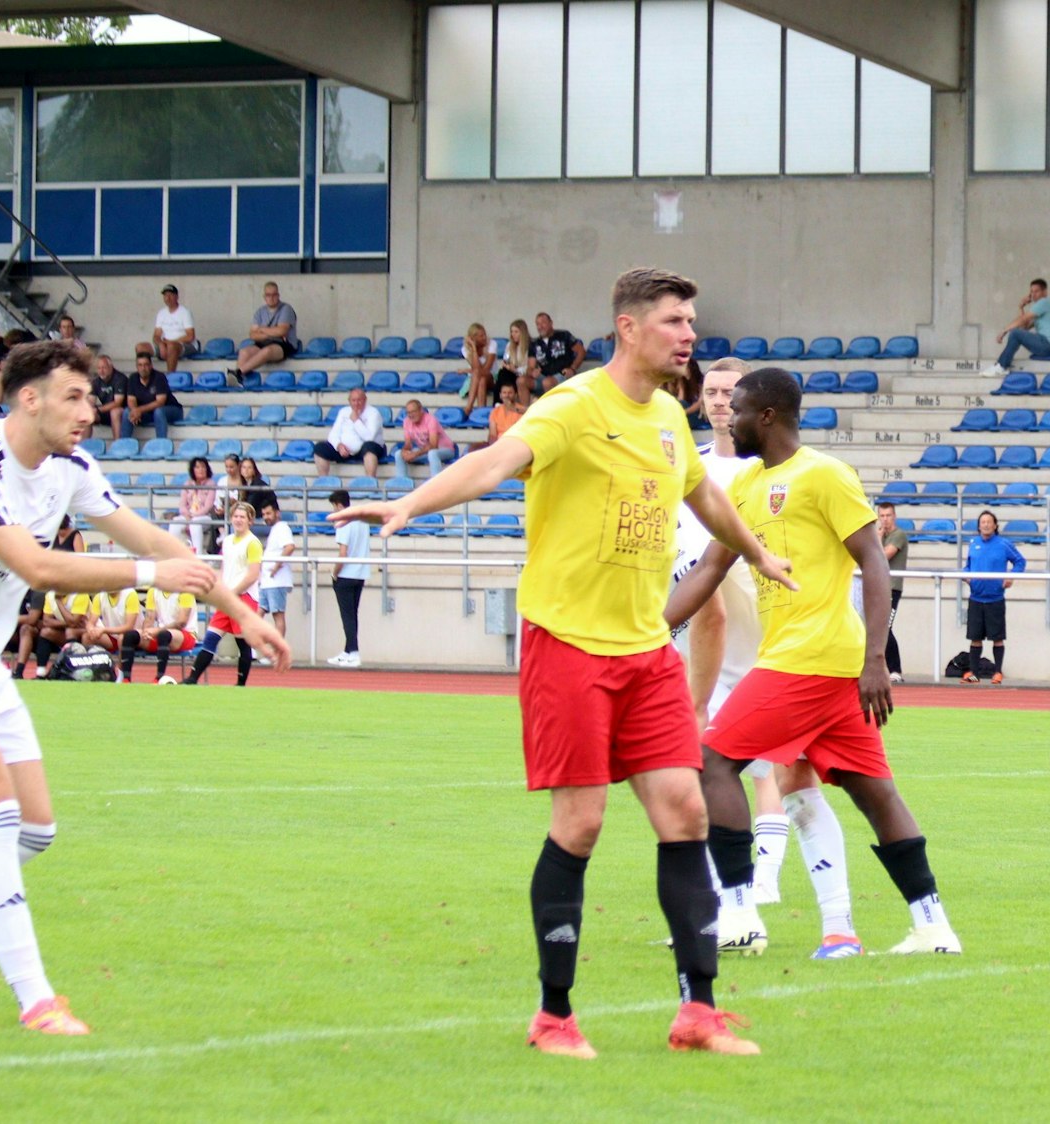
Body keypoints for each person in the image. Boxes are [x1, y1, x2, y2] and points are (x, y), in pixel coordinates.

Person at [335, 266, 790, 1059]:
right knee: (580, 824)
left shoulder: (669, 422)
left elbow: (702, 498)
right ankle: (553, 1016)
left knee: (684, 812)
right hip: (569, 644)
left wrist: (755, 551)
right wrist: (410, 502)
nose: (690, 334)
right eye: (677, 321)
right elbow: (493, 462)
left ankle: (699, 1013)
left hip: (645, 646)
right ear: (630, 328)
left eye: (691, 321)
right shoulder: (574, 406)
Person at [0, 338, 283, 1034]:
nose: (90, 410)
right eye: (74, 396)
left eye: (91, 397)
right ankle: (36, 998)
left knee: (34, 831)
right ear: (28, 397)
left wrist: (244, 614)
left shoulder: (71, 468)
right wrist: (145, 579)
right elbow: (37, 567)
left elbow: (161, 545)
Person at [667, 367, 964, 961]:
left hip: (813, 656)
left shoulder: (825, 474)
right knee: (873, 792)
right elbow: (708, 570)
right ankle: (932, 927)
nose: (729, 417)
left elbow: (874, 563)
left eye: (741, 407)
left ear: (769, 415)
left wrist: (877, 657)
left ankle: (739, 911)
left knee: (712, 760)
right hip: (820, 665)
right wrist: (647, 632)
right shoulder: (749, 483)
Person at [670, 358, 860, 957]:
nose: (723, 401)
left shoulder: (801, 472)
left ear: (758, 405)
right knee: (817, 781)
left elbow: (862, 559)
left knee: (733, 766)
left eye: (733, 392)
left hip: (789, 649)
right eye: (714, 392)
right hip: (748, 645)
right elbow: (706, 570)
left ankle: (745, 901)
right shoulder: (703, 469)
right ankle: (860, 925)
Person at [186, 503, 265, 687]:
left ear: (250, 521)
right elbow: (225, 568)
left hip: (243, 598)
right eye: (236, 516)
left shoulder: (253, 543)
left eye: (242, 517)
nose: (238, 520)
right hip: (227, 598)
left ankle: (240, 685)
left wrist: (233, 592)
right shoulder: (228, 541)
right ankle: (191, 679)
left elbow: (253, 575)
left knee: (243, 644)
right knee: (211, 637)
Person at [962, 511, 1025, 684]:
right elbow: (967, 566)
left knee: (997, 637)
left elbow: (1020, 561)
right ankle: (974, 673)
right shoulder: (973, 543)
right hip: (976, 597)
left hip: (995, 598)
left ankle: (997, 672)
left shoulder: (1004, 544)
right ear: (979, 525)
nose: (986, 525)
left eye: (989, 522)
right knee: (975, 637)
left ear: (995, 525)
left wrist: (1011, 576)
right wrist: (966, 575)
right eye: (983, 522)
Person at [983, 279, 1050, 374]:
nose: (1033, 294)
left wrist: (1004, 331)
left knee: (1015, 333)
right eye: (1031, 291)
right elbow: (1024, 328)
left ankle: (1001, 366)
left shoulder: (1044, 303)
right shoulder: (1040, 311)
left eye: (1037, 291)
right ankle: (1001, 365)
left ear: (1045, 292)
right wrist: (1021, 307)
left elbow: (1022, 321)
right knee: (1016, 333)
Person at [328, 490, 370, 667]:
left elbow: (343, 554)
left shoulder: (343, 523)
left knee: (347, 615)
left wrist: (334, 572)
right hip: (360, 574)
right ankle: (348, 650)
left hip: (346, 575)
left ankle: (353, 651)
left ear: (339, 505)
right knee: (353, 614)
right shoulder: (362, 522)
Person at [314, 388, 388, 480]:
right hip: (344, 451)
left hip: (367, 450)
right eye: (353, 400)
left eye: (359, 400)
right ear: (349, 401)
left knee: (369, 447)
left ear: (365, 400)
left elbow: (369, 438)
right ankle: (323, 481)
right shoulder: (343, 411)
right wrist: (339, 446)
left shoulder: (373, 413)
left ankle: (370, 481)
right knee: (320, 447)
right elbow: (333, 434)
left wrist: (356, 420)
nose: (356, 403)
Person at [129, 587, 199, 684]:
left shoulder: (185, 590)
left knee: (164, 635)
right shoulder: (153, 591)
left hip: (186, 634)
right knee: (131, 635)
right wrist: (146, 632)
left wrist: (156, 631)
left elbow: (181, 622)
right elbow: (149, 618)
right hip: (163, 633)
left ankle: (159, 678)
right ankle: (125, 679)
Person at [233, 282, 299, 383]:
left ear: (278, 295)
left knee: (267, 351)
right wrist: (272, 332)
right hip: (263, 343)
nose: (271, 298)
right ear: (264, 297)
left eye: (274, 295)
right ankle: (238, 382)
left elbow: (282, 330)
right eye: (268, 295)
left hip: (284, 345)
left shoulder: (286, 309)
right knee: (244, 351)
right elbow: (253, 335)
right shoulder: (260, 311)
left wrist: (261, 329)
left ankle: (238, 373)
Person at [876, 502, 908, 684]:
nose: (885, 519)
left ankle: (896, 669)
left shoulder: (899, 535)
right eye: (882, 516)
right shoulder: (879, 536)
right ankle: (884, 668)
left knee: (886, 627)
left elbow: (882, 555)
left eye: (888, 515)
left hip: (892, 588)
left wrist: (878, 538)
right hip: (878, 587)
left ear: (894, 516)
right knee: (876, 628)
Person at [257, 498, 296, 642]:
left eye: (268, 513)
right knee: (257, 614)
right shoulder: (275, 529)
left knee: (278, 616)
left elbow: (290, 547)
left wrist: (276, 566)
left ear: (277, 513)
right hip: (267, 581)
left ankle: (277, 652)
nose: (266, 517)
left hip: (276, 581)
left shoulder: (282, 527)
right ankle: (252, 649)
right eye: (264, 514)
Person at [124, 352, 184, 441]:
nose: (143, 368)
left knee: (159, 411)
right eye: (140, 365)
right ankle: (122, 446)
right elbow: (131, 400)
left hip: (172, 410)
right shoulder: (133, 378)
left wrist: (139, 410)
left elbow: (160, 402)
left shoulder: (159, 377)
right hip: (149, 413)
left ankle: (161, 445)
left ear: (151, 366)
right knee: (127, 411)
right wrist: (134, 410)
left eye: (146, 365)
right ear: (137, 367)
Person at [530, 311, 584, 397]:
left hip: (562, 373)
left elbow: (581, 351)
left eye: (543, 323)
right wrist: (533, 371)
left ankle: (550, 409)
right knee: (521, 381)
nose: (540, 327)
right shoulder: (535, 343)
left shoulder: (564, 335)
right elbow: (531, 365)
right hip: (543, 375)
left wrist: (573, 369)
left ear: (551, 323)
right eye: (538, 324)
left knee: (547, 382)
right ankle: (525, 409)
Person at [169, 456, 217, 553]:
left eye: (203, 467)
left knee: (195, 523)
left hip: (205, 517)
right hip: (188, 515)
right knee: (175, 522)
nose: (201, 470)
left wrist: (194, 516)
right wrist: (186, 514)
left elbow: (208, 506)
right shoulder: (187, 484)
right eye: (197, 467)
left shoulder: (211, 484)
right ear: (193, 469)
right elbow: (182, 504)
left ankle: (198, 555)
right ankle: (172, 552)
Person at [397, 399, 456, 476]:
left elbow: (433, 445)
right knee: (398, 454)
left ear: (421, 410)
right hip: (425, 451)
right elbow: (408, 443)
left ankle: (435, 483)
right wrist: (404, 451)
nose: (411, 415)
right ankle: (402, 482)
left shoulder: (431, 420)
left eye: (413, 411)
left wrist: (415, 454)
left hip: (445, 450)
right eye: (408, 412)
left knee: (432, 453)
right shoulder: (406, 421)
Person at [149, 284, 194, 372]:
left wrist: (169, 342)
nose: (168, 298)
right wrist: (161, 344)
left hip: (183, 346)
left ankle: (170, 377)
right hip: (165, 345)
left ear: (177, 297)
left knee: (171, 346)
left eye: (170, 295)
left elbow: (190, 336)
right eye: (165, 295)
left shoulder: (185, 312)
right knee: (141, 347)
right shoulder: (161, 313)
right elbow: (156, 336)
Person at [461, 322, 503, 407]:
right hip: (476, 379)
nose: (484, 338)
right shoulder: (465, 349)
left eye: (484, 334)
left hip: (492, 376)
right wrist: (474, 349)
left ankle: (469, 406)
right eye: (481, 336)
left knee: (478, 374)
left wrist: (468, 370)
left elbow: (486, 369)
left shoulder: (492, 344)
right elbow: (477, 367)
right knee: (482, 380)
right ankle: (481, 411)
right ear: (473, 338)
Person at [88, 353, 126, 437]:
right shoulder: (96, 381)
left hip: (122, 413)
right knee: (87, 415)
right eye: (99, 368)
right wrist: (90, 410)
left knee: (114, 412)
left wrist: (97, 410)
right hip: (105, 411)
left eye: (104, 368)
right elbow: (90, 401)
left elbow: (118, 403)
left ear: (111, 367)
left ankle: (117, 445)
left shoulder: (120, 379)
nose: (101, 371)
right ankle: (83, 446)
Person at [484, 381, 526, 447]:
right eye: (504, 393)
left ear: (515, 395)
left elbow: (522, 433)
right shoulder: (495, 411)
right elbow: (492, 435)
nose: (507, 395)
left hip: (515, 444)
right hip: (498, 445)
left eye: (510, 393)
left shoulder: (522, 410)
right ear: (500, 395)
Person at [499, 319, 533, 400]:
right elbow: (506, 359)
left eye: (516, 332)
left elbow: (530, 367)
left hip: (524, 375)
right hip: (511, 373)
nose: (513, 334)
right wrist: (507, 365)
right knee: (503, 373)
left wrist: (515, 370)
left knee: (505, 375)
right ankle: (499, 403)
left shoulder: (531, 346)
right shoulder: (509, 345)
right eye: (512, 331)